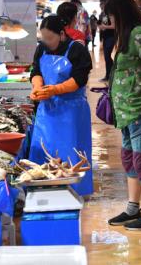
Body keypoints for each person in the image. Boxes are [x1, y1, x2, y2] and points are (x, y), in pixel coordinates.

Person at [105, 0, 141, 230]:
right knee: (129, 159)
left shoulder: (139, 34)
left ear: (121, 13)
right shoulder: (124, 34)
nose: (110, 21)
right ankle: (132, 208)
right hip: (124, 110)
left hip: (139, 108)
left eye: (112, 15)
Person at [29, 15, 94, 196]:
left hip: (72, 111)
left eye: (50, 38)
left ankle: (76, 190)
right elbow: (36, 70)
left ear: (62, 34)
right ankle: (43, 189)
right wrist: (37, 87)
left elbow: (80, 79)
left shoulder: (77, 50)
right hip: (47, 111)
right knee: (45, 150)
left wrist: (56, 89)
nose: (47, 42)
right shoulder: (41, 49)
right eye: (44, 38)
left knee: (72, 151)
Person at [98, 0, 115, 82]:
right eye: (100, 4)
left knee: (107, 57)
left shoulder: (111, 13)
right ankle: (109, 75)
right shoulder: (102, 14)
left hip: (111, 37)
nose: (101, 5)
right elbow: (103, 25)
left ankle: (110, 75)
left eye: (102, 4)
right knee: (106, 57)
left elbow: (114, 26)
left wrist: (104, 27)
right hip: (105, 37)